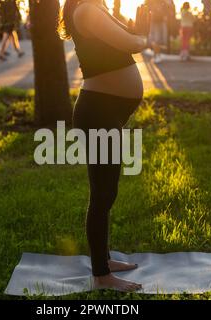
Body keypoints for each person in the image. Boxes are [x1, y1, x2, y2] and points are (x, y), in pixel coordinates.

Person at [59, 0, 149, 292]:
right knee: (102, 193)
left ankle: (104, 261)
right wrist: (143, 35)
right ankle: (101, 275)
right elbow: (130, 42)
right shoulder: (86, 10)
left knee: (107, 192)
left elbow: (126, 38)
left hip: (106, 112)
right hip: (98, 113)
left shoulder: (96, 8)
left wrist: (138, 31)